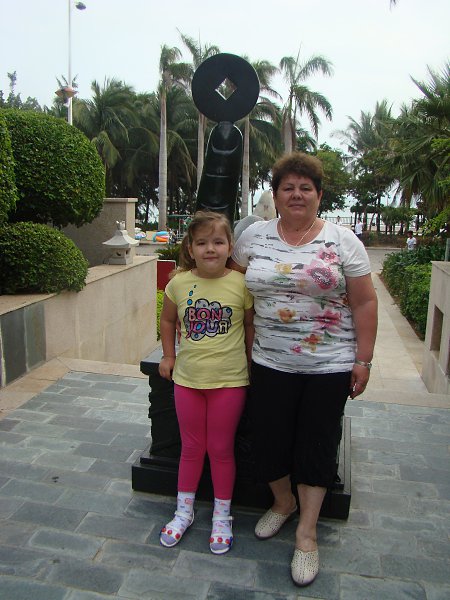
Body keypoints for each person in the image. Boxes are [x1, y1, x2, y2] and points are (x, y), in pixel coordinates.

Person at [229, 152, 377, 586]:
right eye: (288, 187)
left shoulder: (342, 240)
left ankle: (307, 534)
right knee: (268, 438)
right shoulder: (253, 236)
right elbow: (230, 283)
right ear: (275, 196)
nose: (296, 194)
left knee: (317, 443)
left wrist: (363, 359)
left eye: (305, 188)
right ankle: (283, 502)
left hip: (328, 364)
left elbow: (365, 302)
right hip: (268, 360)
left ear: (319, 195)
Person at [158, 211, 254, 555]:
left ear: (230, 246)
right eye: (202, 242)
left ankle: (222, 515)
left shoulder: (241, 284)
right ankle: (183, 511)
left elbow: (250, 326)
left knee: (220, 448)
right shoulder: (178, 283)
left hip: (229, 382)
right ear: (190, 248)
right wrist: (168, 356)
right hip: (188, 381)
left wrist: (251, 362)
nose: (210, 249)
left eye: (218, 241)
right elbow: (167, 321)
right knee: (191, 447)